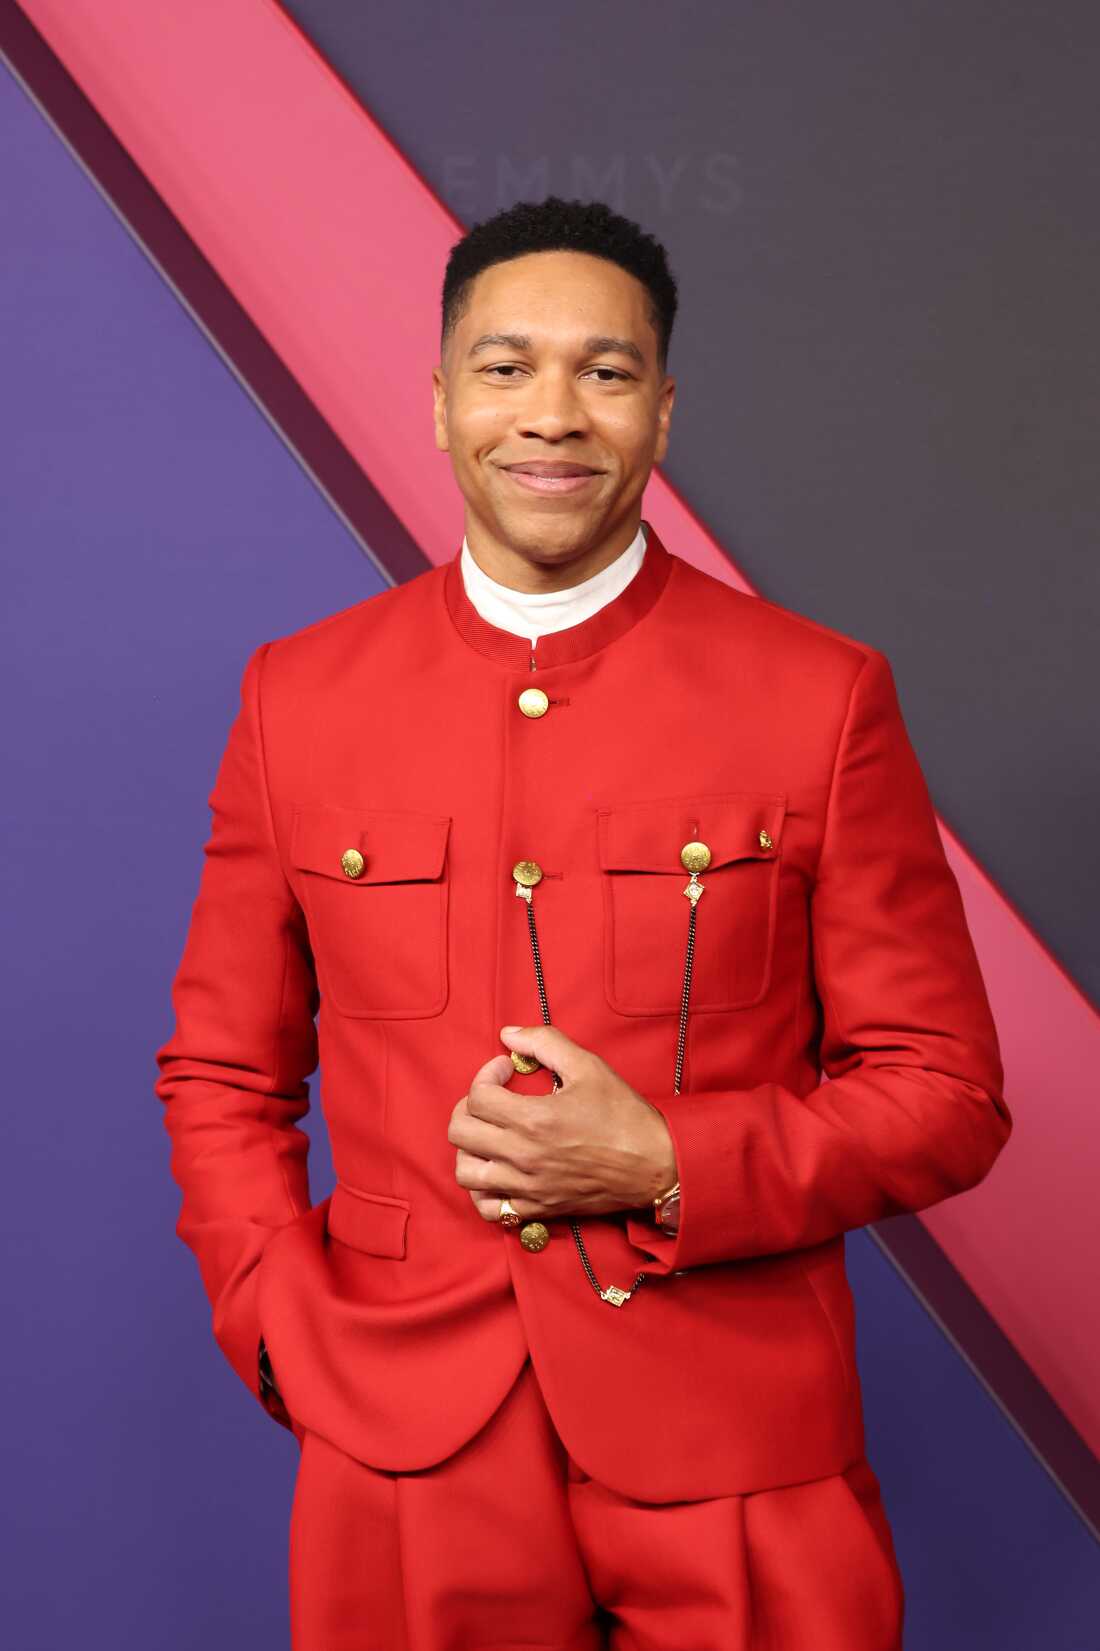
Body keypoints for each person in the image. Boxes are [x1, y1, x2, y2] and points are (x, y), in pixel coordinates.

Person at [155, 195, 1012, 1650]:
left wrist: (671, 1161)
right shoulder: (296, 697)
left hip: (739, 1437)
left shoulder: (818, 697)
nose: (551, 414)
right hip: (406, 1443)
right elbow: (222, 1074)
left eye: (605, 373)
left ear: (663, 415)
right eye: (504, 367)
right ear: (436, 404)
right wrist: (276, 1326)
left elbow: (947, 1095)